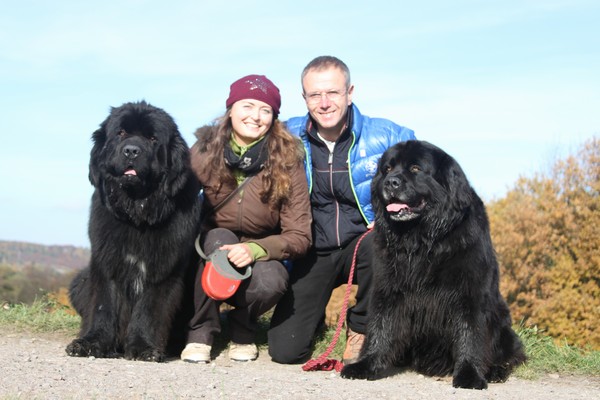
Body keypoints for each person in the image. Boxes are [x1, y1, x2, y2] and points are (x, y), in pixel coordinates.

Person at [268, 56, 416, 364]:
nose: (324, 103)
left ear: (350, 93)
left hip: (366, 242)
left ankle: (361, 326)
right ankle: (313, 319)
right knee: (285, 352)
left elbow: (427, 186)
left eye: (333, 93)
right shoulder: (284, 136)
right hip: (312, 248)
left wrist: (392, 220)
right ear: (304, 98)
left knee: (381, 245)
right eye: (315, 95)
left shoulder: (391, 136)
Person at [181, 74, 312, 363]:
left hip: (260, 250)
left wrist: (255, 249)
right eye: (247, 106)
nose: (255, 116)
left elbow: (300, 235)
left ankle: (242, 329)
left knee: (272, 280)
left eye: (265, 110)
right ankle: (200, 331)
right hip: (210, 245)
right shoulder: (204, 150)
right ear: (231, 110)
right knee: (219, 238)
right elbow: (176, 199)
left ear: (273, 118)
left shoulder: (288, 159)